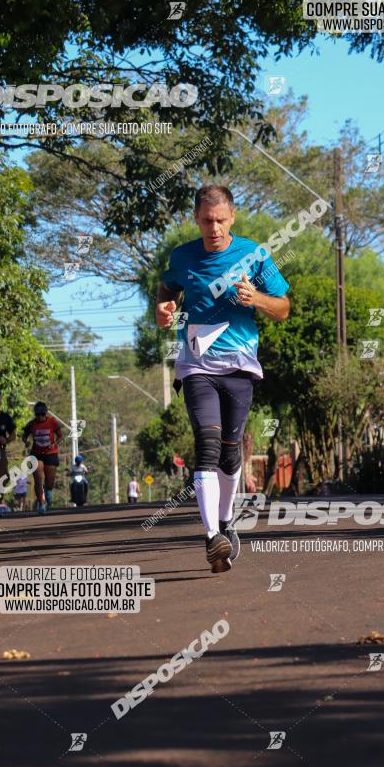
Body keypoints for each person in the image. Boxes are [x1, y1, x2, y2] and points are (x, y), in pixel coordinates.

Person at [156, 184, 290, 573]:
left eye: (220, 220)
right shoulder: (183, 257)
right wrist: (164, 309)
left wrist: (257, 300)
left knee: (231, 453)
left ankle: (227, 521)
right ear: (196, 219)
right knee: (207, 443)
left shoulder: (254, 254)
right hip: (197, 365)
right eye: (206, 221)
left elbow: (283, 308)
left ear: (232, 217)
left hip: (240, 366)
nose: (213, 228)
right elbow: (168, 289)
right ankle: (211, 535)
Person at [21, 402, 63, 514]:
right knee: (38, 480)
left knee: (50, 481)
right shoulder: (31, 424)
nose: (40, 417)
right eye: (37, 415)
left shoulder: (52, 422)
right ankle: (41, 503)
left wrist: (54, 444)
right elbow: (24, 435)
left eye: (42, 414)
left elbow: (60, 436)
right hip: (36, 454)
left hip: (50, 453)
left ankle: (48, 493)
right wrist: (26, 441)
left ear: (45, 413)